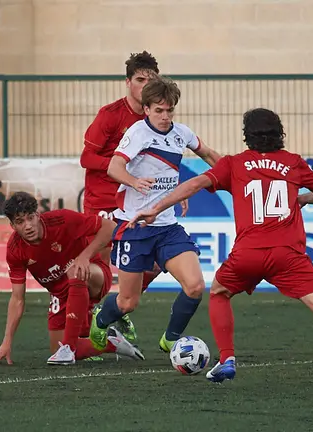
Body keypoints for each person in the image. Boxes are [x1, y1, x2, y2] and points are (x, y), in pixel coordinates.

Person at [129, 108, 313, 392]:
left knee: (220, 293)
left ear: (247, 136)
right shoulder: (293, 163)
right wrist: (302, 199)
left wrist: (156, 208)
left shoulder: (235, 164)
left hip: (247, 254)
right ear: (279, 133)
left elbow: (196, 184)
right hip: (288, 255)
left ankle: (227, 359)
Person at [88, 76, 222, 354]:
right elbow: (114, 167)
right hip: (134, 226)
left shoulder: (181, 133)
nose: (165, 116)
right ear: (146, 109)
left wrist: (237, 172)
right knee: (127, 303)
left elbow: (209, 154)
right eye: (158, 110)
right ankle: (101, 318)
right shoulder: (138, 133)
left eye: (169, 110)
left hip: (167, 227)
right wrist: (134, 181)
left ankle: (170, 339)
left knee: (195, 286)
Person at [81, 52, 182, 343]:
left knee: (154, 264)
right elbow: (87, 157)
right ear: (128, 82)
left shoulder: (158, 117)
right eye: (139, 79)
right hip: (104, 201)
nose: (144, 85)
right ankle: (85, 331)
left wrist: (174, 191)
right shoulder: (110, 115)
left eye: (150, 80)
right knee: (99, 270)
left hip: (139, 203)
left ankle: (116, 308)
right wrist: (121, 166)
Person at [0, 192, 144, 366]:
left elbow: (110, 227)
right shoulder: (15, 249)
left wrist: (84, 256)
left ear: (38, 215)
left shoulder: (61, 220)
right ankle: (112, 343)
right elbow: (17, 298)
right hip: (61, 294)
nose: (28, 226)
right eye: (20, 222)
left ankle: (68, 348)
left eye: (30, 218)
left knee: (74, 271)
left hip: (93, 276)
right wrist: (7, 342)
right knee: (56, 347)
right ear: (12, 226)